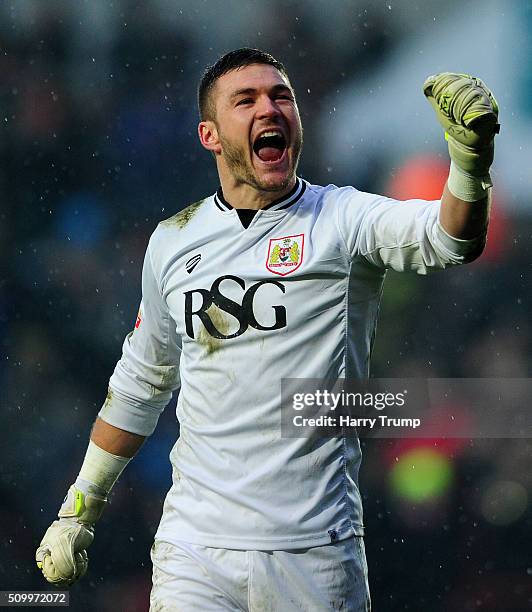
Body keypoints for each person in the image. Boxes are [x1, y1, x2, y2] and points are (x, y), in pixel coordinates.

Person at [36, 48, 499, 611]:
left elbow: (452, 239)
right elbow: (140, 383)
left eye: (282, 97)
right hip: (195, 550)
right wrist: (78, 509)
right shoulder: (173, 240)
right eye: (246, 99)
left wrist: (470, 163)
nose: (270, 108)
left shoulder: (344, 220)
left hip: (315, 552)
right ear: (210, 134)